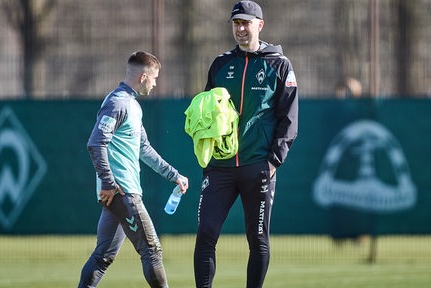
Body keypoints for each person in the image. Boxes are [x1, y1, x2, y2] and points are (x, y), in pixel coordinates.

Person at [193, 1, 298, 287]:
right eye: (236, 23)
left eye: (246, 23)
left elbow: (288, 119)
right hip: (220, 168)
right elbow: (207, 112)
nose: (240, 29)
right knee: (206, 232)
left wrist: (274, 160)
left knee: (258, 238)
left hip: (258, 166)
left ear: (259, 25)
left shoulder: (279, 64)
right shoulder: (220, 64)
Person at [78, 51, 188, 288]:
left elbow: (143, 148)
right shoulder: (119, 103)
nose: (156, 83)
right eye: (155, 78)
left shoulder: (133, 106)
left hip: (119, 192)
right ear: (143, 76)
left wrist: (174, 175)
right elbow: (95, 143)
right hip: (122, 191)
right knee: (153, 251)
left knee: (103, 256)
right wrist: (108, 182)